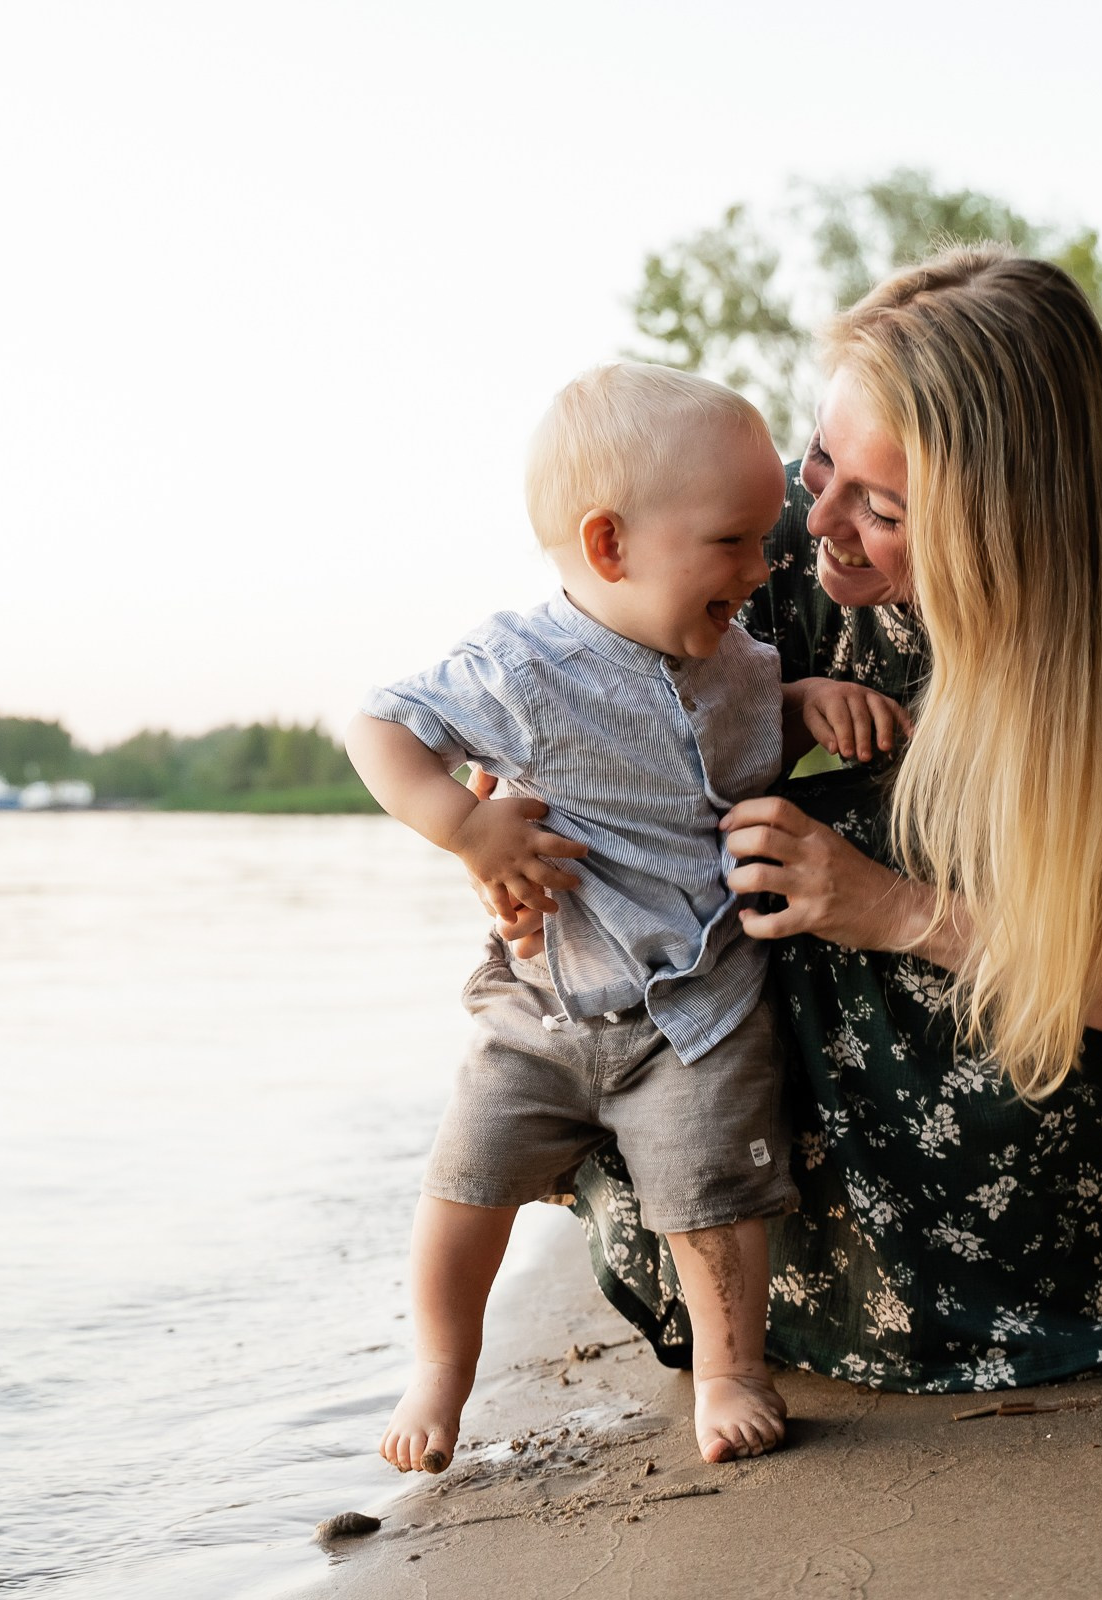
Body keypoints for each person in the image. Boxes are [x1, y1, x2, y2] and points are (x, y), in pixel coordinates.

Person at [507, 250, 1102, 1392]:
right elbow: (594, 688)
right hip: (997, 946)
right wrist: (522, 838)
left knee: (821, 853)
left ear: (997, 527)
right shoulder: (790, 524)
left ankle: (1019, 1251)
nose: (818, 518)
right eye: (821, 458)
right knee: (691, 891)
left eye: (881, 507)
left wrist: (885, 907)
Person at [345, 362, 910, 1466]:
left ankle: (729, 1371)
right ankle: (441, 1369)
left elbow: (747, 731)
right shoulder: (519, 666)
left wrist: (806, 703)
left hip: (696, 1008)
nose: (763, 566)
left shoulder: (738, 661)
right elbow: (379, 728)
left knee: (717, 1196)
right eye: (733, 543)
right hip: (544, 1008)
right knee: (465, 1184)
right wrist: (467, 830)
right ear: (609, 546)